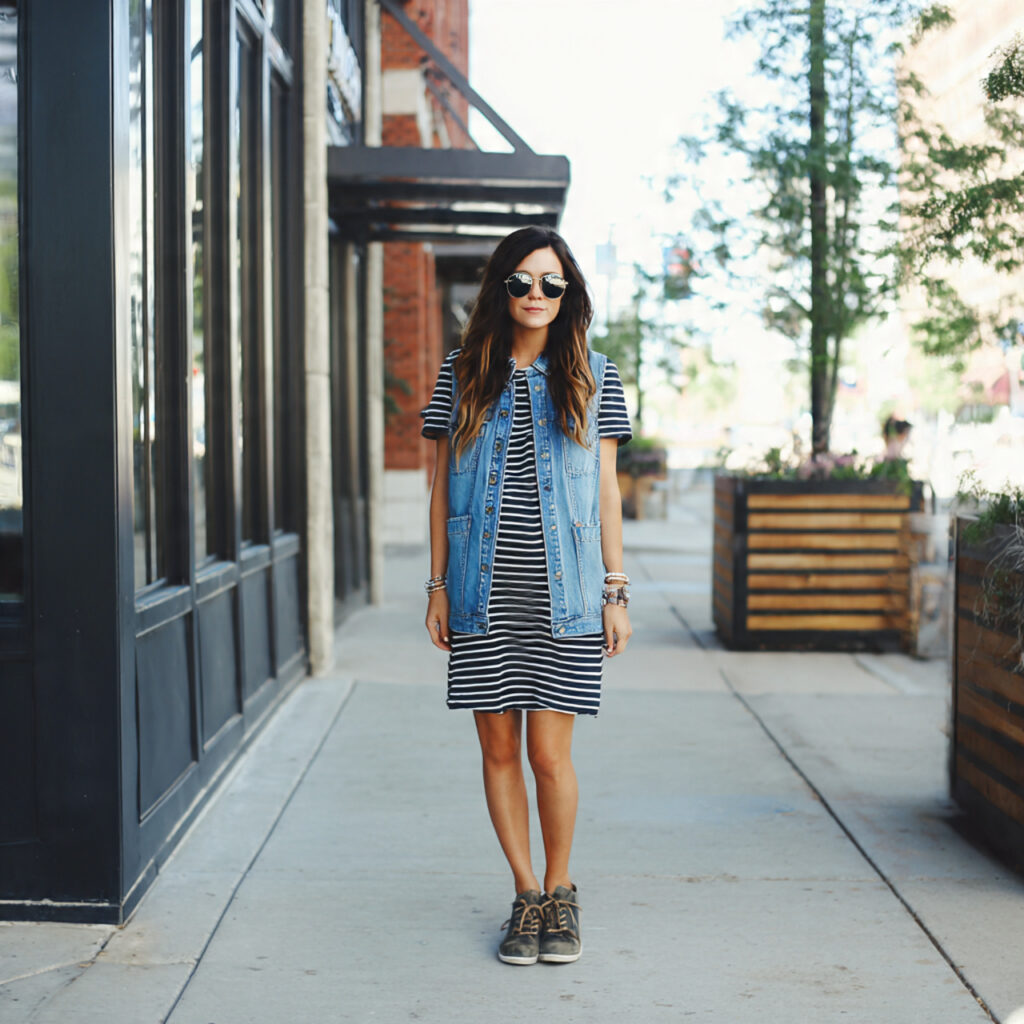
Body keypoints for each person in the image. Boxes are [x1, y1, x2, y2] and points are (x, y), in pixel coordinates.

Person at [420, 226, 633, 966]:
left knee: (549, 754)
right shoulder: (461, 373)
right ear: (500, 290)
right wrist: (438, 586)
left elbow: (607, 490)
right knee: (498, 748)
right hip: (483, 593)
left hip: (566, 596)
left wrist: (615, 588)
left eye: (550, 283)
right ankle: (525, 896)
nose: (536, 295)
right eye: (521, 282)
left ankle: (562, 889)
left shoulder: (595, 375)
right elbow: (444, 487)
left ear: (567, 292)